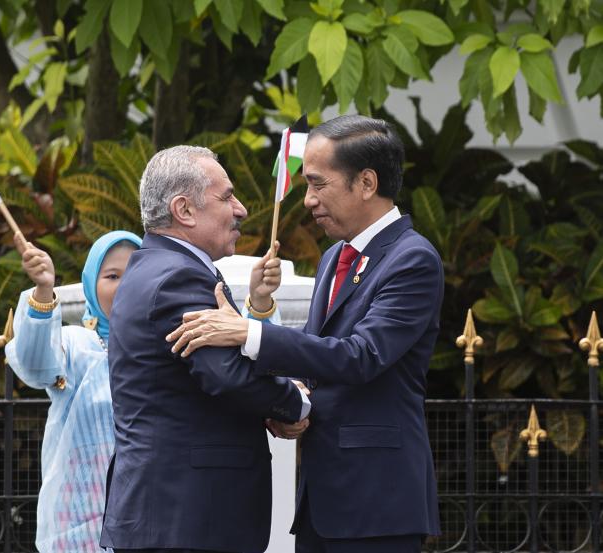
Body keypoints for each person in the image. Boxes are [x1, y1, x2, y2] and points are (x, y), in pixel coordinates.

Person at [167, 115, 443, 553]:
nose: (308, 200)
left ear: (366, 182)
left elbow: (360, 356)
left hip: (377, 501)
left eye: (318, 184)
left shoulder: (413, 259)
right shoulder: (335, 256)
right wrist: (292, 398)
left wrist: (247, 333)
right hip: (321, 499)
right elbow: (319, 361)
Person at [101, 145, 311, 553]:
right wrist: (294, 402)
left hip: (175, 515)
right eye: (227, 196)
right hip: (188, 517)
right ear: (184, 209)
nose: (242, 209)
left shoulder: (157, 268)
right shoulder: (177, 278)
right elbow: (225, 375)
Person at [5, 229, 142, 553]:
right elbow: (37, 365)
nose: (125, 285)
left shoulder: (168, 349)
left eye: (136, 274)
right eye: (112, 275)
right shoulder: (77, 345)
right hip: (79, 529)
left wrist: (260, 305)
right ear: (92, 284)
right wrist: (43, 290)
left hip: (149, 525)